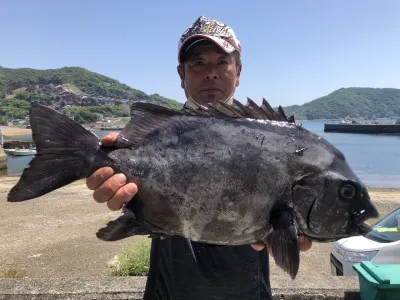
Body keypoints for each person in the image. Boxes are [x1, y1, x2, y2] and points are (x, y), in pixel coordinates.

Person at [86, 16, 312, 300]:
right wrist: (110, 179)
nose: (211, 73)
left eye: (222, 62)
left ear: (238, 71)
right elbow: (126, 187)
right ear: (182, 75)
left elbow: (287, 216)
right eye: (198, 63)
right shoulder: (156, 134)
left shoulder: (269, 140)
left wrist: (292, 232)